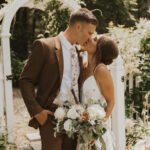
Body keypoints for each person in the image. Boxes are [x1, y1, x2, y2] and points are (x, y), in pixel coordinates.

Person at [19, 8, 98, 150]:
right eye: (89, 33)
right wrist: (38, 112)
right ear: (78, 27)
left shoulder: (79, 53)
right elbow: (26, 80)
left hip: (75, 118)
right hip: (50, 116)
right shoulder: (45, 46)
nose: (90, 38)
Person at [79, 35, 119, 149]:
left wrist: (96, 130)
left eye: (95, 40)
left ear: (99, 49)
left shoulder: (101, 70)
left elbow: (111, 101)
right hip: (83, 126)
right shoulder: (85, 65)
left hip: (96, 130)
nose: (90, 38)